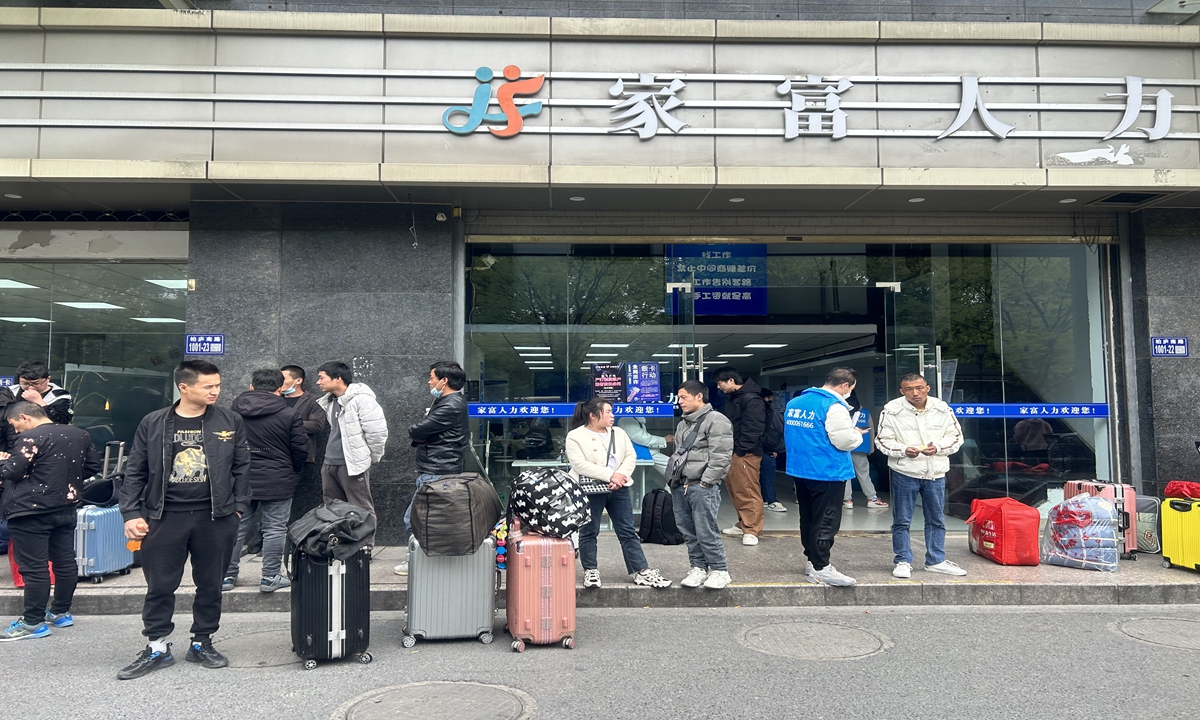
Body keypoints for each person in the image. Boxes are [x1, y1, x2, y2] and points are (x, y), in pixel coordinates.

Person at [117, 360, 251, 680]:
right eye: (208, 386)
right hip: (164, 517)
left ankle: (201, 641)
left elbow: (243, 467)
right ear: (184, 387)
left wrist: (238, 509)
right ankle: (157, 646)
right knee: (160, 585)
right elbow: (134, 470)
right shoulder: (154, 422)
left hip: (216, 517)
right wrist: (131, 513)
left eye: (217, 384)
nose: (216, 391)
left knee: (210, 584)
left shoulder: (230, 420)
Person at [0, 401, 99, 641]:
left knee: (34, 567)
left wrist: (3, 460)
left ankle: (33, 621)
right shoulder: (80, 434)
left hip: (29, 510)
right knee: (65, 561)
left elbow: (12, 472)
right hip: (65, 505)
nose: (15, 432)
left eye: (15, 425)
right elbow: (92, 467)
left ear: (24, 417)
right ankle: (61, 611)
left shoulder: (30, 438)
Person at [565, 398, 671, 590]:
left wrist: (620, 476)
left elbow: (630, 456)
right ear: (593, 415)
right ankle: (591, 570)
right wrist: (610, 475)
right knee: (589, 531)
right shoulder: (575, 436)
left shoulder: (619, 433)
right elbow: (579, 464)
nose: (612, 416)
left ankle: (641, 570)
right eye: (607, 412)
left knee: (628, 531)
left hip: (619, 488)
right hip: (591, 490)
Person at [222, 369, 307, 593]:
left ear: (252, 386)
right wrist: (292, 469)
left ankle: (227, 576)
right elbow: (300, 449)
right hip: (277, 477)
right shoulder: (289, 414)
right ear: (280, 389)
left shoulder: (233, 413)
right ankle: (270, 577)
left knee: (235, 527)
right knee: (275, 529)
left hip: (241, 478)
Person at [875, 373, 967, 579]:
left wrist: (939, 448)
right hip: (905, 471)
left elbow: (956, 437)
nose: (914, 393)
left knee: (936, 519)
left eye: (918, 388)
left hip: (935, 471)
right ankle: (902, 560)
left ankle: (936, 560)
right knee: (902, 520)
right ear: (901, 391)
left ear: (927, 388)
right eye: (908, 389)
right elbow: (882, 440)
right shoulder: (892, 410)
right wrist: (903, 450)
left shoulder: (942, 408)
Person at [785, 367, 862, 587]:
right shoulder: (834, 406)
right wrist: (856, 434)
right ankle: (821, 567)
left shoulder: (795, 403)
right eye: (851, 388)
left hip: (801, 469)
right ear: (845, 386)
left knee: (808, 517)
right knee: (826, 520)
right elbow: (843, 441)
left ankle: (811, 559)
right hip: (827, 471)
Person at [395, 361, 468, 575]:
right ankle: (427, 560)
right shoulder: (448, 402)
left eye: (432, 377)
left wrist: (421, 434)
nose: (429, 382)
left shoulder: (450, 405)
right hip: (437, 467)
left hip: (438, 469)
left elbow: (417, 429)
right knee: (426, 519)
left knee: (415, 519)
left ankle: (418, 562)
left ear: (444, 380)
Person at [670, 380, 735, 590]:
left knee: (706, 530)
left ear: (699, 396)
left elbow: (721, 456)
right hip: (682, 484)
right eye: (679, 398)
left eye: (683, 397)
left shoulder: (717, 420)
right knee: (688, 531)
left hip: (702, 485)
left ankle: (719, 570)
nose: (679, 402)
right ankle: (698, 567)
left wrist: (707, 482)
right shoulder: (683, 423)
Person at [316, 361, 388, 547]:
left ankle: (365, 547)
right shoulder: (331, 402)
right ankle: (340, 545)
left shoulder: (362, 400)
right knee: (332, 507)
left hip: (352, 464)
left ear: (338, 378)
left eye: (322, 377)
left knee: (360, 506)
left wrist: (373, 457)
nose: (318, 382)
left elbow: (377, 432)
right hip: (330, 463)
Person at [713, 367, 766, 547]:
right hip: (732, 451)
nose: (719, 387)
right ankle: (743, 523)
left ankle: (751, 529)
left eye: (720, 383)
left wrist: (741, 450)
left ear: (730, 381)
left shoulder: (751, 399)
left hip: (745, 453)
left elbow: (754, 428)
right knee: (735, 488)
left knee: (747, 489)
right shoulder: (735, 398)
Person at [0, 361, 73, 453]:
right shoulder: (9, 393)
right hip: (10, 443)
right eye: (25, 383)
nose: (31, 388)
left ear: (48, 379)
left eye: (36, 383)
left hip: (45, 444)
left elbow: (62, 423)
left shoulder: (61, 396)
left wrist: (40, 403)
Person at [844, 391, 888, 510]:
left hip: (844, 447)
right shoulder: (865, 412)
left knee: (845, 474)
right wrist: (871, 448)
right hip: (860, 448)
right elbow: (871, 430)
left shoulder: (841, 411)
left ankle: (847, 500)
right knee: (864, 475)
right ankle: (872, 498)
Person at [280, 365, 327, 470]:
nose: (279, 382)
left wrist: (287, 423)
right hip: (276, 454)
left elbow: (316, 425)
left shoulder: (314, 401)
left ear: (298, 380)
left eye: (283, 379)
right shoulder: (275, 400)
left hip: (299, 454)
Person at [759, 388, 787, 514]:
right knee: (767, 477)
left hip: (756, 449)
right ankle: (771, 500)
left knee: (758, 478)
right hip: (767, 450)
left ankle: (765, 499)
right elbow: (777, 433)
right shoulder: (770, 413)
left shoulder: (753, 412)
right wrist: (775, 448)